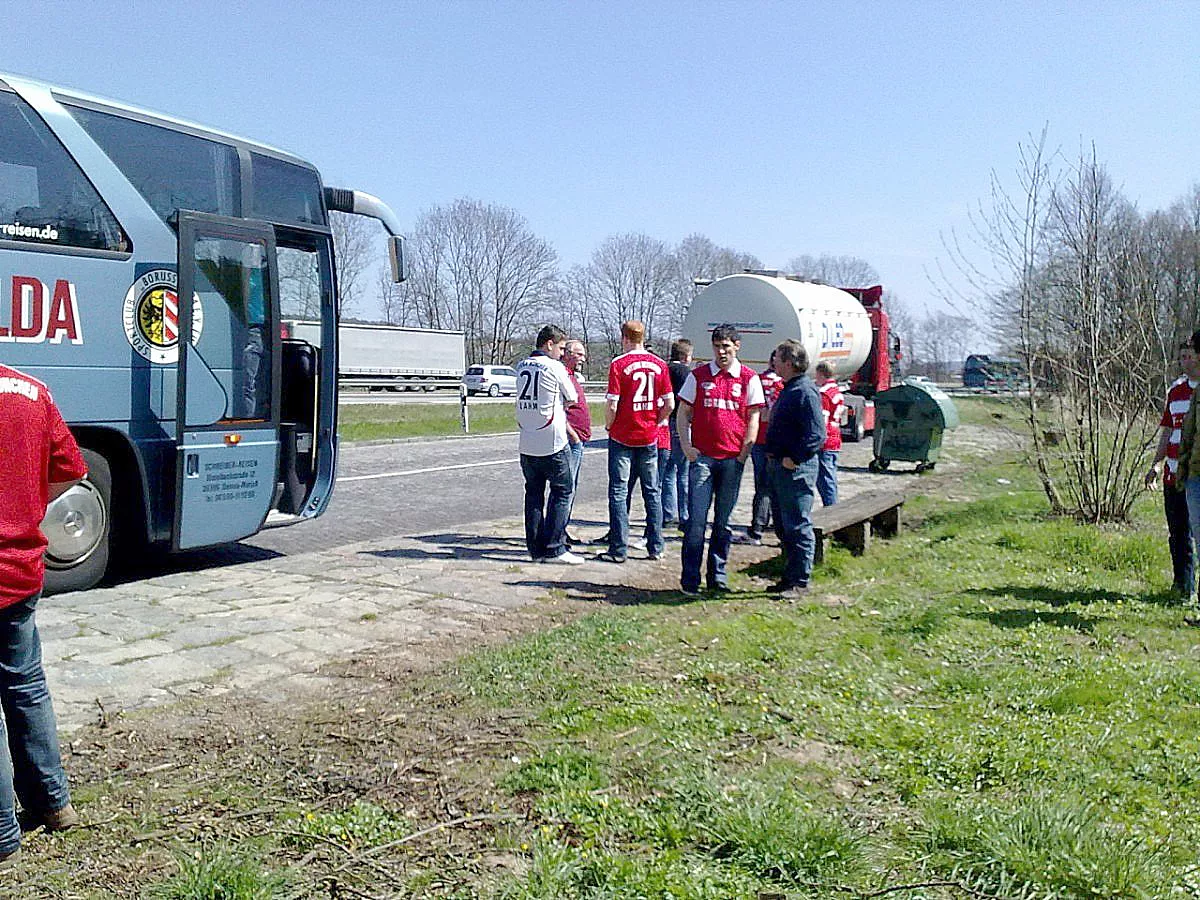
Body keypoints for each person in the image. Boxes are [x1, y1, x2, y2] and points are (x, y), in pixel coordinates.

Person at [0, 363, 87, 863]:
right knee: (26, 685)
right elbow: (72, 470)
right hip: (20, 569)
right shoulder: (31, 391)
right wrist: (28, 505)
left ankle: (2, 835)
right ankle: (53, 805)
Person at [677, 324, 765, 594]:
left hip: (731, 460)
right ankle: (690, 579)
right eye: (717, 346)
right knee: (696, 522)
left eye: (726, 346)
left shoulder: (748, 379)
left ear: (737, 346)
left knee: (723, 522)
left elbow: (753, 416)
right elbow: (682, 413)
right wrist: (686, 446)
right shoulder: (699, 376)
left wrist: (744, 452)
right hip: (703, 459)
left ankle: (718, 576)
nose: (721, 352)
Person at [597, 321, 673, 563]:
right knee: (652, 492)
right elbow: (669, 403)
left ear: (624, 338)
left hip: (622, 436)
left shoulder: (619, 364)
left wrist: (609, 424)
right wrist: (657, 422)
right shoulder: (660, 365)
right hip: (649, 437)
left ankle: (618, 549)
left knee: (619, 492)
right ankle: (656, 545)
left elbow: (612, 403)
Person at [515, 325, 583, 565]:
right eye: (561, 348)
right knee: (562, 491)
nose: (562, 353)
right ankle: (555, 547)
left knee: (533, 494)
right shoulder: (554, 367)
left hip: (527, 441)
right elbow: (572, 397)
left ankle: (535, 549)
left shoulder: (522, 365)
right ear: (549, 344)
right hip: (552, 440)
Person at [765, 340, 826, 600]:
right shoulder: (790, 388)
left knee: (798, 524)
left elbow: (817, 434)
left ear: (789, 363)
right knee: (783, 525)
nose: (773, 363)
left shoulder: (805, 391)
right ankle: (789, 577)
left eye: (777, 359)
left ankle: (800, 581)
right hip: (781, 466)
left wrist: (796, 458)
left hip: (795, 469)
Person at [1156, 333, 1200, 605]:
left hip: (1194, 474)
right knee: (1178, 531)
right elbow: (1167, 430)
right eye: (1182, 357)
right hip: (1173, 472)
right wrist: (1156, 463)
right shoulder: (1176, 391)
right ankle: (1182, 584)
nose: (1185, 361)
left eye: (1190, 356)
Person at [734, 350, 783, 545]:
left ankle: (758, 527)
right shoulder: (782, 384)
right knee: (774, 486)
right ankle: (765, 525)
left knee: (761, 485)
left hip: (757, 437)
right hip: (775, 440)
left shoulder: (757, 380)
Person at [562, 339, 592, 548]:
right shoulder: (561, 374)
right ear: (568, 353)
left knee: (570, 487)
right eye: (579, 354)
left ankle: (560, 529)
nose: (583, 358)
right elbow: (557, 409)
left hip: (578, 439)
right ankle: (558, 532)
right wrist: (573, 435)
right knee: (566, 488)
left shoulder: (572, 376)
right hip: (570, 440)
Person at [663, 339, 694, 531]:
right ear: (684, 356)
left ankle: (667, 513)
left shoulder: (664, 369)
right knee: (682, 470)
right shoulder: (683, 372)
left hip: (665, 421)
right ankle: (684, 515)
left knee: (667, 471)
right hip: (678, 421)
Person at [814, 361, 847, 506]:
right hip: (835, 436)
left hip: (826, 439)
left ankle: (831, 508)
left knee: (824, 478)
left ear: (821, 374)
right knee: (831, 474)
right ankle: (833, 505)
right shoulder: (837, 391)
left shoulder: (824, 394)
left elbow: (822, 418)